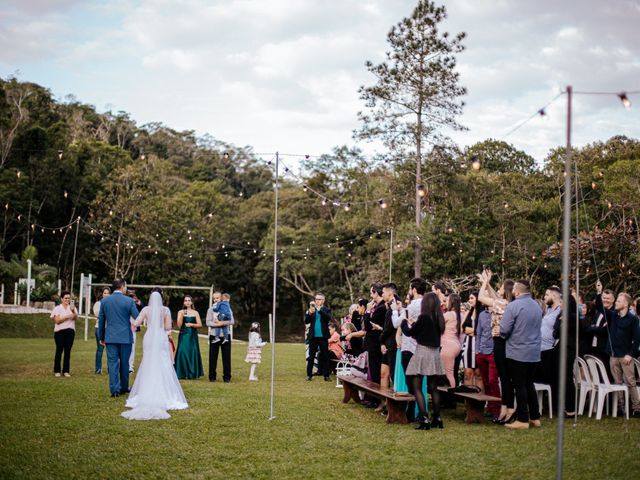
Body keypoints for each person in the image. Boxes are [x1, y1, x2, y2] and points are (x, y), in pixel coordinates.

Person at [121, 290, 188, 420]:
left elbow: (136, 323)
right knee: (163, 362)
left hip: (150, 337)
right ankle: (166, 393)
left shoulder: (146, 309)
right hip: (161, 337)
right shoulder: (166, 310)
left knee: (148, 361)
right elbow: (168, 326)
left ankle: (146, 391)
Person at [500, 279, 543, 429]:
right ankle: (535, 417)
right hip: (534, 351)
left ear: (517, 291)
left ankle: (523, 419)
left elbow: (504, 329)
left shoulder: (514, 306)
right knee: (529, 384)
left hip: (518, 351)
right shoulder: (537, 306)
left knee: (519, 385)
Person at [401, 292, 446, 430]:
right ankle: (437, 417)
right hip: (435, 354)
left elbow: (410, 332)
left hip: (422, 352)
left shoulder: (424, 317)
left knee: (417, 386)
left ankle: (424, 417)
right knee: (433, 387)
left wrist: (404, 323)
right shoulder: (439, 318)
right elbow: (425, 333)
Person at [478, 269, 516, 424]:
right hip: (506, 342)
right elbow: (494, 296)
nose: (498, 290)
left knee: (502, 379)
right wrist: (488, 283)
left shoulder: (502, 304)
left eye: (500, 287)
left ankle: (504, 409)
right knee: (505, 379)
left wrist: (485, 283)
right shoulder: (507, 303)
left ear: (505, 290)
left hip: (499, 342)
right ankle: (504, 409)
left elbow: (481, 297)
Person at [98, 278, 140, 397]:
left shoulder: (105, 301)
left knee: (112, 363)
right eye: (125, 286)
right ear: (122, 286)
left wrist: (101, 336)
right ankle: (124, 387)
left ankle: (114, 390)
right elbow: (137, 317)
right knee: (125, 363)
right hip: (125, 337)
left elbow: (101, 321)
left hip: (110, 337)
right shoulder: (129, 301)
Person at [603, 289, 640, 417]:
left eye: (618, 301)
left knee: (631, 382)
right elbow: (601, 308)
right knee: (617, 382)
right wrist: (598, 293)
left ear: (625, 304)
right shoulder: (613, 316)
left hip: (626, 356)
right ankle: (621, 408)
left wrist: (631, 354)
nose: (616, 303)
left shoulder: (633, 319)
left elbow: (637, 339)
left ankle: (636, 408)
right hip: (613, 355)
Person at [475, 294, 501, 419]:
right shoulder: (482, 315)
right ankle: (490, 408)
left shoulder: (499, 313)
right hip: (482, 351)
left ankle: (497, 410)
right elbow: (478, 333)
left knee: (492, 381)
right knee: (486, 381)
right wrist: (477, 350)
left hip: (493, 352)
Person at [536, 286, 562, 410]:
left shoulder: (560, 311)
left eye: (547, 295)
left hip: (550, 349)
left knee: (551, 380)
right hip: (540, 348)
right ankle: (542, 405)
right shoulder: (548, 310)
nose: (544, 297)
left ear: (554, 296)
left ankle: (554, 406)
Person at [363, 283, 385, 406]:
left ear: (376, 293)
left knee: (375, 371)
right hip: (374, 342)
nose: (370, 295)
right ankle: (372, 397)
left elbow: (367, 326)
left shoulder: (381, 308)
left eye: (371, 293)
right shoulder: (378, 307)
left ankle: (375, 399)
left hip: (376, 343)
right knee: (373, 370)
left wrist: (367, 311)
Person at [206, 291, 235, 382]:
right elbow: (208, 322)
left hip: (226, 336)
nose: (215, 300)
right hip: (214, 335)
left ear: (221, 298)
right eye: (214, 298)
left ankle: (227, 378)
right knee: (213, 357)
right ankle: (212, 377)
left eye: (217, 298)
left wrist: (222, 323)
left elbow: (232, 321)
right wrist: (217, 325)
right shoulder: (210, 309)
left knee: (226, 357)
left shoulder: (227, 308)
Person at [303, 293, 332, 381]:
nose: (317, 300)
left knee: (325, 356)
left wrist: (320, 311)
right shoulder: (312, 310)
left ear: (323, 300)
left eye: (319, 299)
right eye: (316, 299)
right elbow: (306, 321)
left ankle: (326, 375)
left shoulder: (326, 310)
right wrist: (309, 313)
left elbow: (328, 319)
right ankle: (309, 375)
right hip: (313, 337)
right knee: (311, 356)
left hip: (323, 337)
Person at [174, 295, 204, 379]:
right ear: (184, 302)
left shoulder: (195, 312)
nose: (187, 302)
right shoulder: (180, 312)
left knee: (192, 352)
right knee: (182, 351)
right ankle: (181, 372)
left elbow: (200, 325)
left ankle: (192, 373)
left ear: (191, 302)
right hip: (183, 335)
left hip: (192, 335)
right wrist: (181, 316)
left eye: (189, 300)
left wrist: (192, 324)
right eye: (185, 300)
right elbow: (179, 325)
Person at [51, 291, 78, 377]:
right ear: (62, 299)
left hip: (70, 331)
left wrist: (73, 311)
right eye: (65, 298)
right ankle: (57, 370)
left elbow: (75, 318)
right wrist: (67, 316)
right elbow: (57, 321)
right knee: (59, 350)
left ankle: (66, 371)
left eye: (68, 298)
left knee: (67, 351)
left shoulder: (72, 308)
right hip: (59, 332)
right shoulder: (57, 308)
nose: (67, 300)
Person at [461, 292, 484, 390]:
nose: (469, 300)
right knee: (467, 373)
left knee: (479, 374)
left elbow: (482, 331)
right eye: (469, 298)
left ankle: (480, 400)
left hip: (479, 346)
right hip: (468, 346)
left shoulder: (483, 313)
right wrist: (472, 331)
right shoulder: (468, 312)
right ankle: (468, 401)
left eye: (472, 298)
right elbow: (462, 328)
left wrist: (472, 331)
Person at [441, 293, 463, 388]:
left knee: (448, 373)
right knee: (450, 372)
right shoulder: (459, 315)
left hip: (447, 345)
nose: (446, 302)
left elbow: (437, 322)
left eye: (447, 300)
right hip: (455, 344)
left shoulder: (449, 314)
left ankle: (450, 397)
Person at [92, 287, 111, 374]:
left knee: (110, 350)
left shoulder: (112, 304)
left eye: (107, 293)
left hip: (110, 329)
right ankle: (98, 369)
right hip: (99, 328)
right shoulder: (98, 304)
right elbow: (98, 314)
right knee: (100, 349)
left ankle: (110, 369)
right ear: (102, 294)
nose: (106, 294)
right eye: (104, 293)